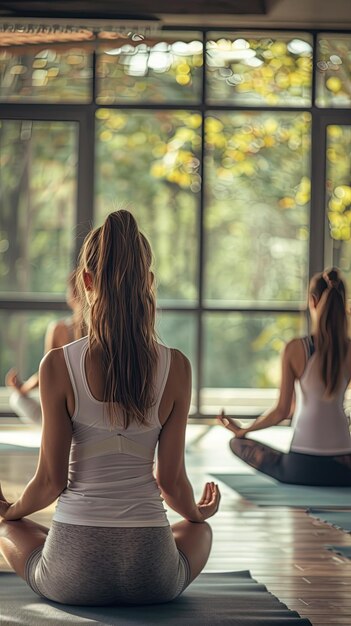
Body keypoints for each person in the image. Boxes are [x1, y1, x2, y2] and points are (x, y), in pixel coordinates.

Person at [0, 210, 220, 606]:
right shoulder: (178, 367)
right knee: (197, 531)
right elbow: (170, 483)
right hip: (152, 576)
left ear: (86, 281)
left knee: (10, 530)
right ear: (149, 283)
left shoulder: (57, 364)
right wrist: (197, 512)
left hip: (73, 574)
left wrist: (12, 510)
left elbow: (51, 482)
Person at [218, 267, 351, 486]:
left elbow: (283, 411)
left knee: (237, 444)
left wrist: (244, 430)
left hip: (301, 468)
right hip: (345, 468)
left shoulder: (296, 349)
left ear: (312, 301)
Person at [5, 270, 86, 426]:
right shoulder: (104, 330)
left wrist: (24, 388)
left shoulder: (59, 329)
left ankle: (52, 431)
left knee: (17, 399)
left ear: (72, 294)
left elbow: (46, 375)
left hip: (64, 410)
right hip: (90, 410)